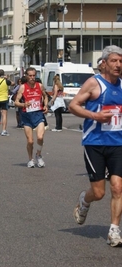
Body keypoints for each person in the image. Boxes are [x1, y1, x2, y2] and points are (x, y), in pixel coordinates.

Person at [69, 45, 122, 247]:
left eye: (121, 61)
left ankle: (114, 231)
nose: (118, 65)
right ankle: (85, 200)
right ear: (104, 63)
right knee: (99, 192)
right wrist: (95, 116)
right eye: (114, 61)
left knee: (118, 187)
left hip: (118, 143)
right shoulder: (93, 83)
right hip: (95, 143)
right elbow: (73, 105)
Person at [14, 67, 48, 168]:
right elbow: (16, 102)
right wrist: (24, 104)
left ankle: (38, 155)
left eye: (34, 75)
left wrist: (46, 106)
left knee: (40, 137)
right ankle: (30, 159)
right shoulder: (23, 87)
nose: (32, 78)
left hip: (38, 114)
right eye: (30, 76)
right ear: (26, 76)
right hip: (27, 116)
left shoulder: (40, 86)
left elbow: (45, 96)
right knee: (30, 141)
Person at [0, 69, 15, 136]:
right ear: (3, 74)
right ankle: (3, 130)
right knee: (4, 115)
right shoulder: (6, 81)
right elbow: (13, 83)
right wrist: (6, 78)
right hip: (4, 99)